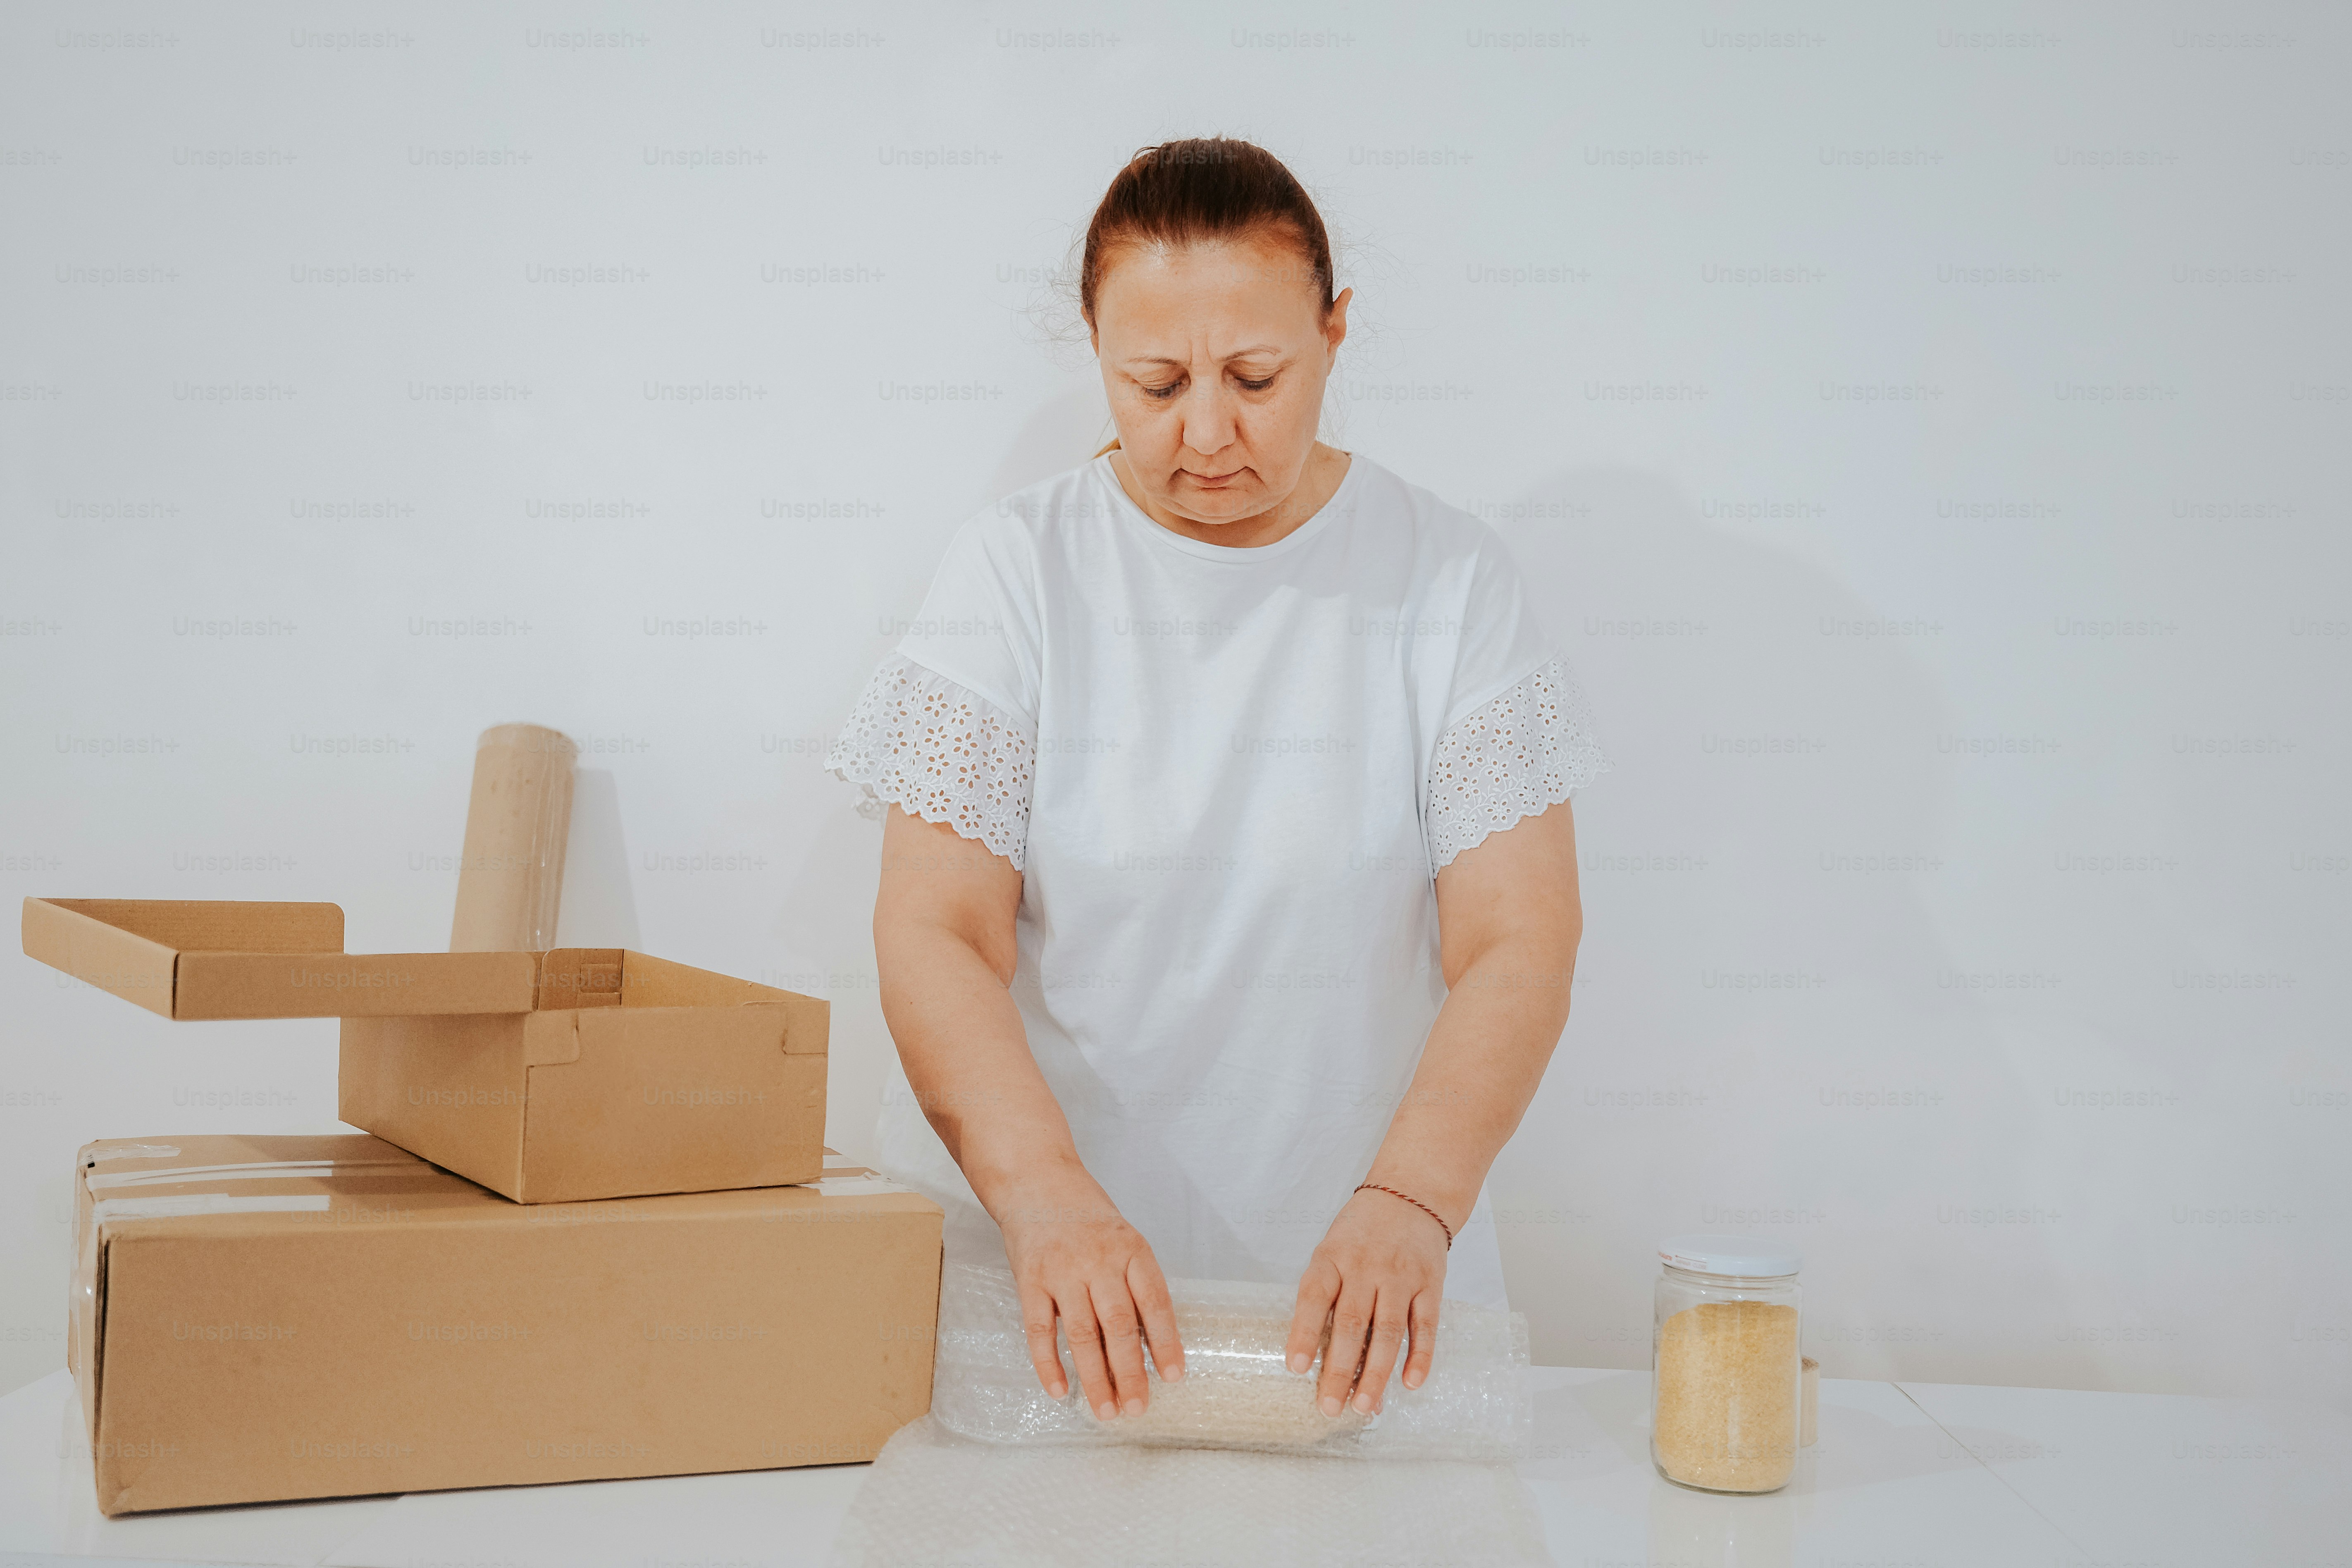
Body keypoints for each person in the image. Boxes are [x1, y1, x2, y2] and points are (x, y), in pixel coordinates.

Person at [823, 136, 1605, 1434]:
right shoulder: (1014, 574)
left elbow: (1519, 938)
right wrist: (1048, 1197)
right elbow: (933, 929)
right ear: (1093, 349)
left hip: (1364, 1312)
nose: (1205, 434)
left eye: (1255, 376)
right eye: (1154, 381)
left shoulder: (1447, 580)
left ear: (1336, 332)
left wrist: (1413, 1197)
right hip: (1057, 1305)